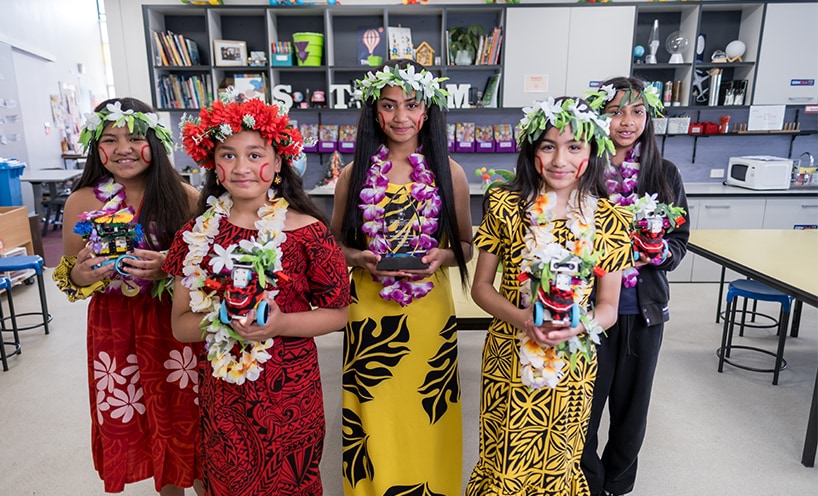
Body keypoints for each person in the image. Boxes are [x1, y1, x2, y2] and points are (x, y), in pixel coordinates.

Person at [165, 94, 350, 496]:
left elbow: (338, 313)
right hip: (224, 393)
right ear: (213, 164)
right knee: (229, 480)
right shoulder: (195, 235)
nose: (242, 167)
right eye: (228, 156)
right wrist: (222, 323)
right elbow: (180, 326)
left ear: (279, 161)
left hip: (291, 393)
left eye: (255, 154)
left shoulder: (308, 233)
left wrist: (281, 323)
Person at [467, 96, 635, 495]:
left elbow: (609, 306)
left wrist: (580, 324)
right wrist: (525, 319)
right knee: (504, 457)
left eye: (574, 146)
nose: (560, 159)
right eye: (548, 146)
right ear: (532, 152)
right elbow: (481, 288)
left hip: (573, 361)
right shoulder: (506, 206)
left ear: (592, 151)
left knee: (560, 459)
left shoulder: (610, 218)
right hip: (510, 354)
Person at [332, 59, 472, 495]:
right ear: (375, 112)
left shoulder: (450, 173)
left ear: (426, 112)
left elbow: (466, 247)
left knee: (426, 414)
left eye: (411, 105)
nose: (400, 117)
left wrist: (442, 255)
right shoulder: (354, 175)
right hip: (370, 313)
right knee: (376, 416)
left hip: (429, 313)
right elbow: (333, 247)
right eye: (389, 106)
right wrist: (362, 257)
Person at [52, 97, 201, 495]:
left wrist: (167, 263)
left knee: (189, 421)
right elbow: (69, 278)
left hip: (174, 326)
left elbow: (205, 267)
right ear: (94, 147)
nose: (123, 149)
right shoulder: (81, 202)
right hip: (115, 332)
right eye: (110, 139)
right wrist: (82, 273)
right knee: (142, 425)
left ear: (156, 141)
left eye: (135, 138)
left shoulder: (186, 197)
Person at [580, 77, 690, 496]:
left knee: (632, 411)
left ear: (649, 118)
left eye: (637, 112)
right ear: (599, 117)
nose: (626, 122)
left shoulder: (664, 174)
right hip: (591, 311)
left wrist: (657, 253)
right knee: (585, 408)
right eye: (615, 112)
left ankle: (618, 485)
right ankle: (588, 482)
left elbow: (680, 242)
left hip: (643, 311)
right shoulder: (584, 168)